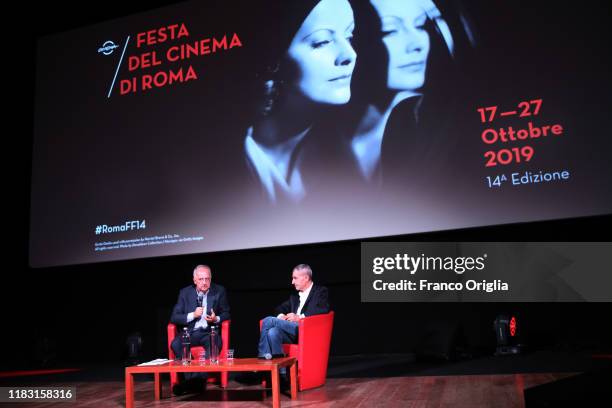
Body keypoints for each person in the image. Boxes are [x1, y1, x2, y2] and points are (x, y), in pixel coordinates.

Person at [244, 0, 357, 204]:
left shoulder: (341, 156)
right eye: (322, 42)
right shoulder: (222, 161)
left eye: (349, 36)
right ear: (273, 60)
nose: (350, 54)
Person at [170, 265, 231, 395]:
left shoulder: (219, 291)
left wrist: (216, 319)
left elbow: (227, 313)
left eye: (207, 279)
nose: (204, 282)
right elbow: (174, 317)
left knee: (215, 343)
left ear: (211, 279)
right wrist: (193, 315)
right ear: (195, 280)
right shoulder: (185, 293)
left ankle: (193, 383)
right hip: (190, 332)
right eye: (201, 279)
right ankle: (194, 381)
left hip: (209, 332)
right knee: (176, 344)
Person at [258, 264, 329, 359]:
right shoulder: (294, 297)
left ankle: (262, 354)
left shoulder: (320, 291)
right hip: (294, 331)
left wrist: (299, 317)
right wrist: (281, 316)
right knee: (273, 332)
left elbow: (322, 309)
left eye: (295, 278)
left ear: (306, 278)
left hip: (308, 329)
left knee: (269, 321)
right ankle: (281, 371)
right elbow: (278, 309)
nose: (292, 282)